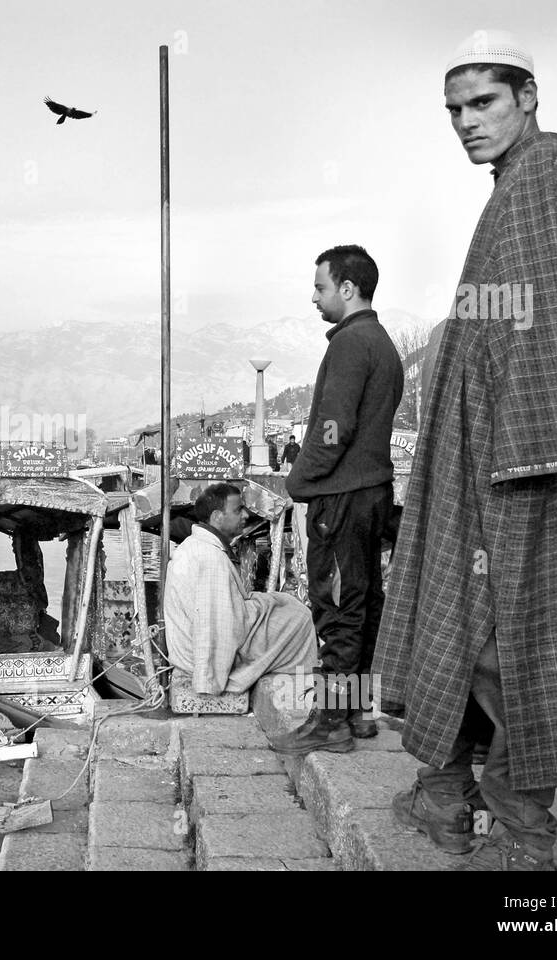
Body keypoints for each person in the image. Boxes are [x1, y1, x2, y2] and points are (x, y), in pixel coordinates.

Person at [372, 30, 557, 871]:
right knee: (461, 623)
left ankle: (523, 835)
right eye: (454, 109)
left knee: (504, 639)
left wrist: (516, 452)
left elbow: (540, 328)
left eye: (483, 103)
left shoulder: (547, 176)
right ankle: (444, 797)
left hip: (519, 456)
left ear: (528, 96)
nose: (466, 123)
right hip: (491, 444)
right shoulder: (519, 183)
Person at [271, 245, 403, 755]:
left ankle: (331, 722)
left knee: (338, 607)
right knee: (365, 603)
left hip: (341, 498)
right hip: (372, 493)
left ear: (348, 289)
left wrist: (298, 482)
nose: (314, 296)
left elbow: (332, 430)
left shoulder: (351, 344)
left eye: (321, 287)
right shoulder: (382, 343)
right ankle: (356, 713)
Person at [163, 482, 317, 697]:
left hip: (190, 648)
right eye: (237, 510)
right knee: (298, 618)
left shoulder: (194, 546)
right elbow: (214, 627)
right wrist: (209, 681)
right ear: (217, 517)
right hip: (197, 658)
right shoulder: (210, 558)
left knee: (283, 603)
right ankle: (301, 690)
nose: (245, 515)